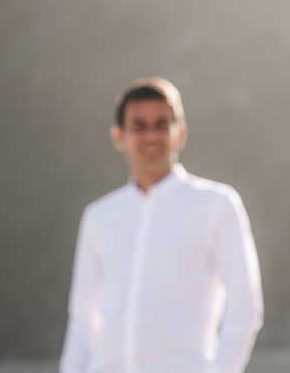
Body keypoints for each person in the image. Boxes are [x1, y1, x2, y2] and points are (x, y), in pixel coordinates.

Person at [61, 77, 263, 373]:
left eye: (161, 124)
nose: (151, 135)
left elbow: (245, 308)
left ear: (180, 132)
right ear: (119, 136)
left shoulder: (216, 205)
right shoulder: (99, 216)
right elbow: (82, 317)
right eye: (139, 126)